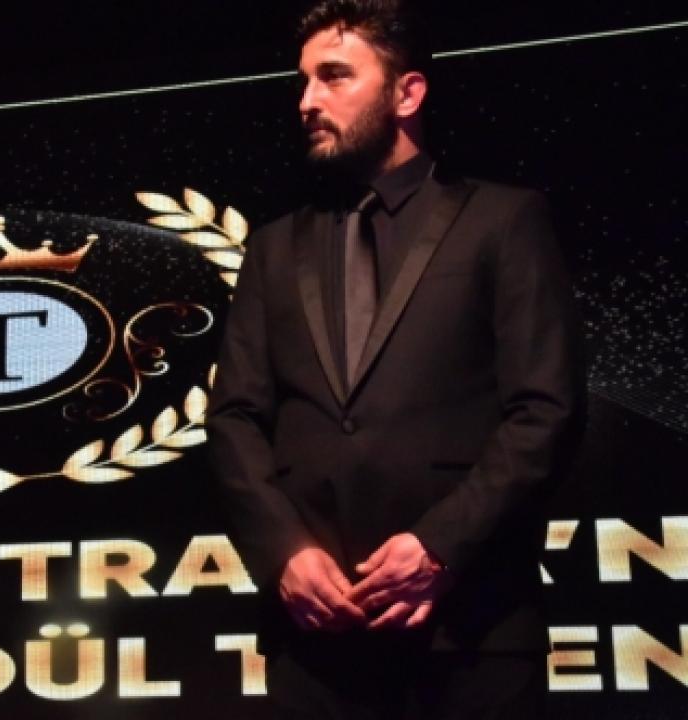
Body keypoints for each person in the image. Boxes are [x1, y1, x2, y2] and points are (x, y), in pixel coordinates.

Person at [206, 1, 585, 716]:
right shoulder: (273, 247)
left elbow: (546, 409)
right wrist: (284, 552)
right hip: (316, 640)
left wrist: (441, 545)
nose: (307, 101)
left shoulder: (502, 220)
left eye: (333, 77)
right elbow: (234, 418)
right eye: (303, 81)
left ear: (407, 93)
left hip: (471, 632)